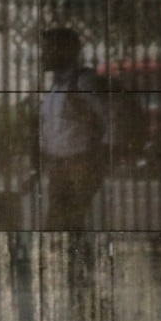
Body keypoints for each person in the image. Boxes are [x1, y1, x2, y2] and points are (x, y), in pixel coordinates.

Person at [39, 27, 110, 229]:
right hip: (59, 165)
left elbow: (113, 118)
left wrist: (102, 154)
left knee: (64, 223)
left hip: (80, 162)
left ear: (64, 51)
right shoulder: (56, 86)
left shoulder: (84, 82)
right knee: (65, 224)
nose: (43, 55)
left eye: (48, 49)